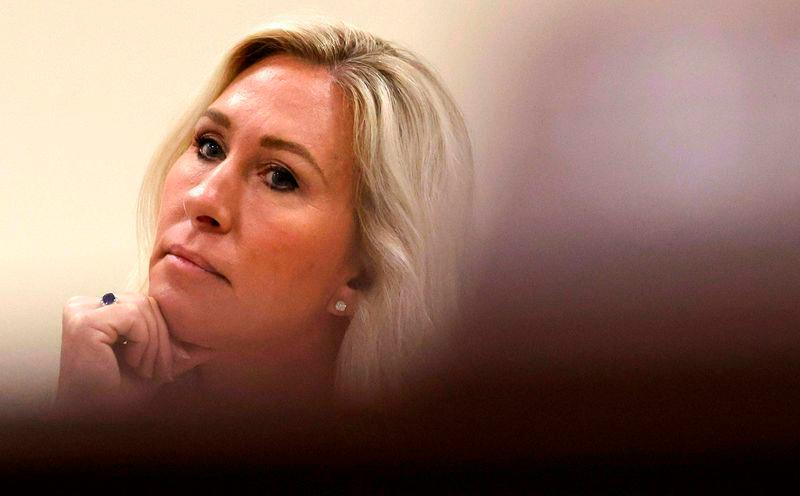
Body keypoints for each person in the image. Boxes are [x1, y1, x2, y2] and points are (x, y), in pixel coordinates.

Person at [54, 19, 473, 418]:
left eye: (280, 177)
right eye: (209, 147)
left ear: (366, 270)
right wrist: (85, 425)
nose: (203, 199)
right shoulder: (98, 393)